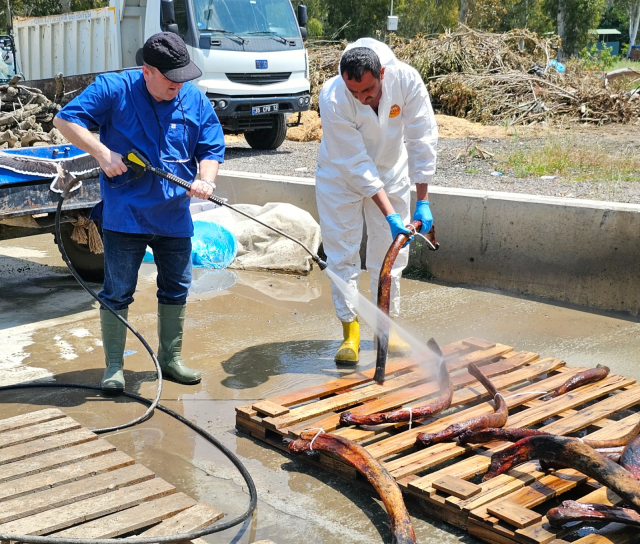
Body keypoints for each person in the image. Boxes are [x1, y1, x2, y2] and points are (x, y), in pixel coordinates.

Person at [53, 32, 225, 391]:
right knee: (118, 290)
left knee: (176, 287)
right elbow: (65, 121)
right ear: (147, 71)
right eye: (171, 78)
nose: (179, 85)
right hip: (125, 213)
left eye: (183, 77)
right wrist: (102, 153)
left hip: (174, 215)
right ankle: (114, 367)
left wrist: (205, 180)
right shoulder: (114, 89)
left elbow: (211, 147)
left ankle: (171, 359)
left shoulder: (193, 99)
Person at [316, 38, 438, 365]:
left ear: (382, 73)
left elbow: (421, 136)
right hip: (340, 175)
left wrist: (422, 201)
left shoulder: (407, 81)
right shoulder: (332, 96)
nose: (361, 97)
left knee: (389, 253)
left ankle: (387, 327)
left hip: (390, 168)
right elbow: (355, 163)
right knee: (342, 252)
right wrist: (389, 212)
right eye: (354, 92)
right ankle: (350, 331)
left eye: (367, 90)